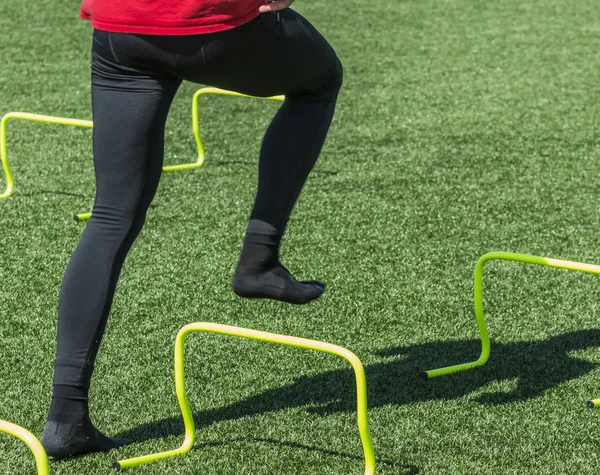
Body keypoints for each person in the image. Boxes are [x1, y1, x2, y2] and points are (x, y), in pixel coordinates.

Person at [40, 0, 343, 459]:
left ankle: (65, 417)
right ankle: (259, 258)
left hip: (120, 29)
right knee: (320, 80)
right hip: (208, 22)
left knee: (110, 216)